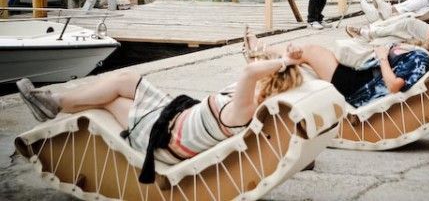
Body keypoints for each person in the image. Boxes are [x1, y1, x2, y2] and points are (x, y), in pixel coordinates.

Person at [16, 52, 303, 184]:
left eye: (265, 62)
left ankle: (54, 104)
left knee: (111, 100)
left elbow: (249, 71)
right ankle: (54, 103)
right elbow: (252, 66)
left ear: (266, 77)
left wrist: (283, 62)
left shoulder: (245, 107)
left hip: (165, 139)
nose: (256, 61)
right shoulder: (249, 98)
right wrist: (289, 59)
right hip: (174, 116)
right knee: (127, 79)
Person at [247, 16, 429, 108]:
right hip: (359, 76)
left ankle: (260, 52)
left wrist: (383, 56)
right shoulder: (422, 54)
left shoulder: (422, 59)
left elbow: (394, 86)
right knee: (304, 59)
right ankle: (262, 54)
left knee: (307, 52)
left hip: (357, 87)